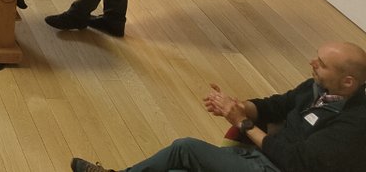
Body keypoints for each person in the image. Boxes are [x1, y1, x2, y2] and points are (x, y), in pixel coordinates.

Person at [70, 41, 366, 172]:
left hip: (278, 167)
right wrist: (240, 106)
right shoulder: (320, 86)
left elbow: (296, 162)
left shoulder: (354, 125)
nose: (312, 64)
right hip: (261, 156)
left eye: (322, 64)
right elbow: (279, 105)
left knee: (183, 148)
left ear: (348, 82)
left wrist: (243, 123)